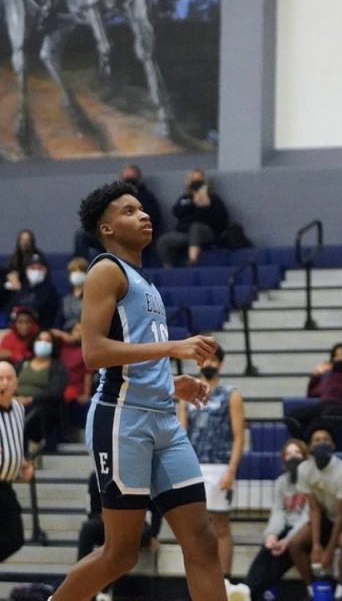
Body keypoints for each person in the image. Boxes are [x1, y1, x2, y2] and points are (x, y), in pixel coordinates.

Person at [46, 179, 226, 601]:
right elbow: (93, 352)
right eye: (128, 211)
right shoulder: (105, 270)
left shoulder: (145, 282)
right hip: (122, 419)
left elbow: (132, 351)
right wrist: (173, 347)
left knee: (201, 539)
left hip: (162, 418)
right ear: (107, 229)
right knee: (121, 554)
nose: (143, 214)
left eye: (141, 208)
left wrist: (170, 380)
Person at [180, 344, 245, 595]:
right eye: (206, 360)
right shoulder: (186, 394)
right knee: (196, 527)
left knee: (220, 524)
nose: (210, 364)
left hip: (219, 465)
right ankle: (199, 580)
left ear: (220, 364)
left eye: (214, 360)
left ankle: (225, 580)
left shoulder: (231, 394)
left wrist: (232, 470)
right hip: (193, 465)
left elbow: (239, 436)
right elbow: (182, 432)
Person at [289, 424, 342, 601]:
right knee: (295, 544)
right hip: (327, 515)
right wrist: (317, 545)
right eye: (317, 440)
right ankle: (312, 589)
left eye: (326, 440)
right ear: (310, 447)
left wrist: (328, 550)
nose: (321, 443)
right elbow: (314, 509)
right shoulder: (304, 469)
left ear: (333, 446)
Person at [240, 438, 310, 601]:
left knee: (279, 560)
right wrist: (271, 535)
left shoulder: (311, 481)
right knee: (265, 553)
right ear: (284, 459)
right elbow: (278, 512)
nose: (293, 457)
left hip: (304, 531)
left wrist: (287, 540)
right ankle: (245, 590)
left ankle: (249, 594)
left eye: (297, 453)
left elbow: (307, 516)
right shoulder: (281, 482)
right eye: (289, 454)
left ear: (305, 457)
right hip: (285, 528)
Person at [76, 470, 162, 601]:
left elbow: (156, 511)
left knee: (123, 538)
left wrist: (153, 535)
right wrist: (106, 518)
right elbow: (92, 511)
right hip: (105, 523)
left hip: (134, 526)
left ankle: (104, 589)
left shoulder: (141, 477)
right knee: (88, 529)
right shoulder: (96, 477)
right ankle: (80, 580)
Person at [74, 165, 163, 261]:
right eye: (125, 179)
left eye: (130, 179)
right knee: (82, 235)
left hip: (129, 236)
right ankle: (79, 269)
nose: (128, 182)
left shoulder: (146, 198)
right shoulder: (114, 198)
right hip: (113, 233)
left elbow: (153, 222)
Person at [285, 342, 342, 439]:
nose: (340, 358)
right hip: (325, 404)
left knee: (327, 415)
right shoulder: (329, 376)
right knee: (293, 416)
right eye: (336, 355)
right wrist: (316, 376)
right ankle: (305, 442)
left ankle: (317, 442)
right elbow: (312, 394)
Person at [156, 169, 230, 268]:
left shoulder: (212, 198)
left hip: (205, 232)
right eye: (193, 180)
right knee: (163, 241)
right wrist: (192, 203)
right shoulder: (184, 198)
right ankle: (169, 269)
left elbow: (222, 218)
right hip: (184, 233)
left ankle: (192, 261)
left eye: (199, 180)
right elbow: (176, 212)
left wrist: (207, 205)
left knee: (195, 227)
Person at [0, 360, 35, 564]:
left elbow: (12, 441)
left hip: (5, 485)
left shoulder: (18, 410)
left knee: (15, 538)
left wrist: (21, 463)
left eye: (9, 378)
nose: (4, 383)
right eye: (0, 379)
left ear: (16, 383)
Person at [15, 328, 68, 452]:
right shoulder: (23, 362)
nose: (43, 343)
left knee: (34, 413)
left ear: (53, 345)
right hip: (16, 401)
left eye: (47, 340)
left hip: (42, 406)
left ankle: (32, 446)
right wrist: (13, 398)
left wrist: (30, 399)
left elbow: (55, 391)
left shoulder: (58, 366)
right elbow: (11, 380)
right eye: (40, 340)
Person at [4, 253, 61, 331]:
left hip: (40, 332)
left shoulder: (51, 292)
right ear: (26, 270)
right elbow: (10, 311)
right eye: (32, 268)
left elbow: (53, 318)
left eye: (40, 268)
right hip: (16, 330)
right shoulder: (20, 290)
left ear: (45, 271)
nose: (36, 271)